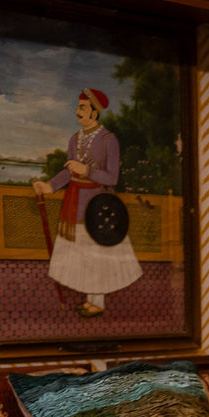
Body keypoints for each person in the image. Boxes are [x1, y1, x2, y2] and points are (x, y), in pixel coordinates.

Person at [33, 88, 141, 317]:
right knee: (80, 253)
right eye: (78, 107)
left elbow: (112, 178)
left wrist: (87, 170)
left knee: (96, 254)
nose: (77, 112)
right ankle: (87, 296)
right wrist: (49, 186)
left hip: (98, 205)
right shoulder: (75, 139)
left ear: (94, 112)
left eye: (82, 107)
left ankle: (97, 302)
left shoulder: (109, 140)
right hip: (74, 201)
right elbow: (68, 171)